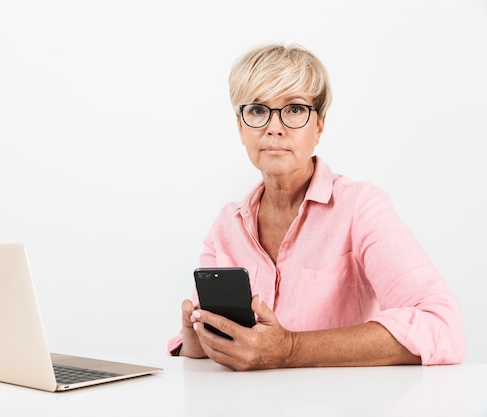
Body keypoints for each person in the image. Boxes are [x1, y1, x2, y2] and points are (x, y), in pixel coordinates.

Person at [167, 43, 466, 370]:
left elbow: (443, 327)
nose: (274, 126)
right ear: (240, 127)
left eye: (294, 109)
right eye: (257, 110)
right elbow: (218, 350)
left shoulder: (361, 208)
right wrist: (197, 341)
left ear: (319, 125)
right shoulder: (227, 226)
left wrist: (289, 349)